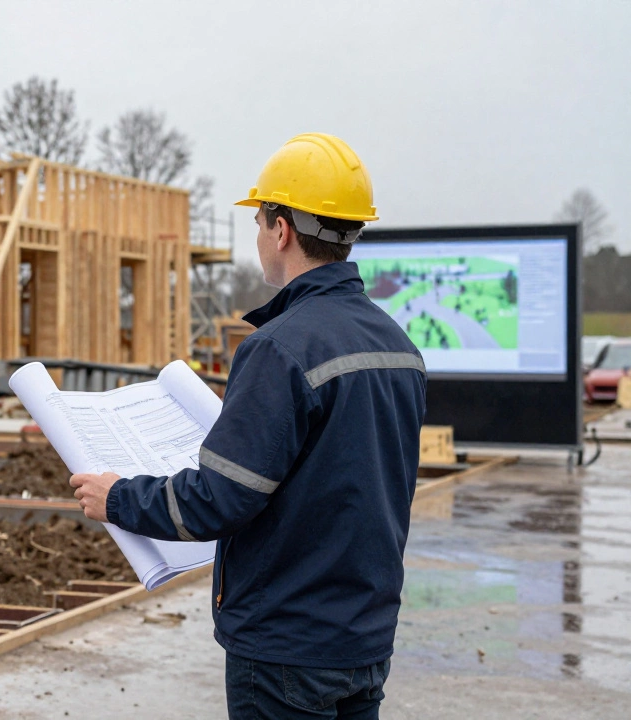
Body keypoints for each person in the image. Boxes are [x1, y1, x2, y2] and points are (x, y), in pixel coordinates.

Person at [69, 133, 427, 719]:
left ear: (281, 229)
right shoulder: (398, 347)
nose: (259, 236)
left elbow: (221, 499)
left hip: (288, 645)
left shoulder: (279, 349)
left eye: (259, 222)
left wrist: (118, 499)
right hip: (364, 638)